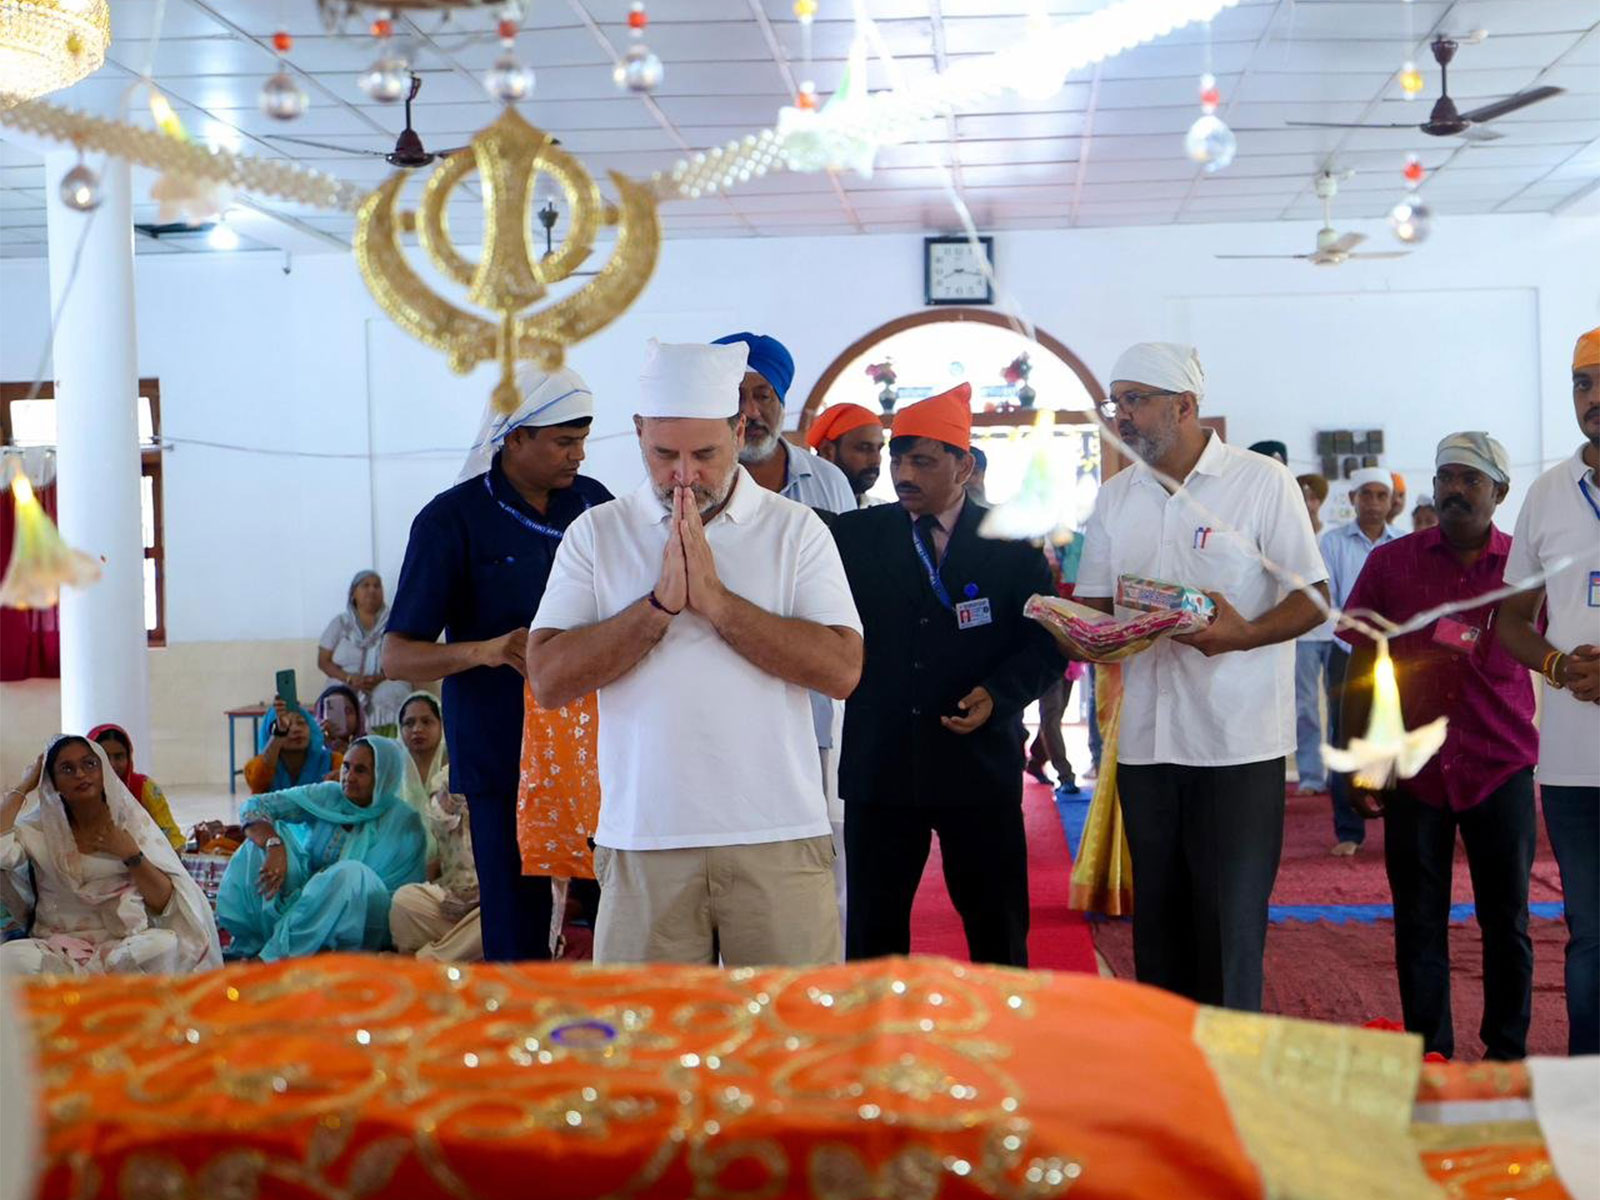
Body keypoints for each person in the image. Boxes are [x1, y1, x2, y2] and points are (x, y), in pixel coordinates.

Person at [527, 338, 863, 967]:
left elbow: (842, 670)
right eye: (664, 454)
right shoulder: (597, 534)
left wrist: (718, 604)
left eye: (705, 454)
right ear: (637, 434)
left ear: (740, 431)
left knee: (790, 1046)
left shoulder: (797, 531)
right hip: (642, 840)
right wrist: (656, 609)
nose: (684, 474)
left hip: (778, 837)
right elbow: (547, 679)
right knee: (646, 1054)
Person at [1076, 342, 1327, 1012]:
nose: (1121, 416)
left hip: (1235, 743)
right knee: (1158, 924)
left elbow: (1313, 597)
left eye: (1135, 400)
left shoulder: (1260, 482)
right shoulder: (1114, 498)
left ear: (1184, 406)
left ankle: (1226, 1087)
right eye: (1116, 402)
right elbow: (1098, 610)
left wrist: (1243, 635)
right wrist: (1065, 624)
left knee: (1226, 925)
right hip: (1148, 745)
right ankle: (1169, 1081)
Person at [383, 365, 612, 963]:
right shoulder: (450, 521)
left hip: (601, 750)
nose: (578, 456)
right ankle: (520, 1037)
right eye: (564, 442)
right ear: (514, 438)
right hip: (503, 751)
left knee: (619, 903)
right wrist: (485, 650)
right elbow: (397, 655)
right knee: (516, 917)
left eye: (583, 440)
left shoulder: (594, 506)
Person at [831, 384, 1064, 967]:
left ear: (965, 465)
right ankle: (875, 1045)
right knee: (873, 931)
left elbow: (1045, 644)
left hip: (976, 766)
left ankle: (1006, 1039)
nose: (904, 473)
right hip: (880, 766)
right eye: (897, 459)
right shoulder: (856, 537)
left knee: (997, 923)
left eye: (923, 460)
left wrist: (999, 695)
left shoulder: (1012, 546)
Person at [1339, 432, 1537, 1061]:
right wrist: (1363, 761)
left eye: (1470, 480)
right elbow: (1361, 667)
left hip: (1500, 764)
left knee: (1506, 922)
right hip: (1416, 771)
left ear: (1499, 493)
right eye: (1446, 477)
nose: (1454, 490)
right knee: (1419, 923)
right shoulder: (1391, 564)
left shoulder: (1526, 567)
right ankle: (1432, 1057)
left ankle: (1507, 1054)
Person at [1496, 326, 1600, 1056]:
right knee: (1590, 933)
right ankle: (1588, 1092)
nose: (1592, 398)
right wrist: (1562, 668)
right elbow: (1509, 621)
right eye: (1582, 383)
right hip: (1572, 762)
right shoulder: (1547, 493)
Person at [0, 737, 220, 975]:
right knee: (11, 957)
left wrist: (130, 854)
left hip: (123, 946)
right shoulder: (37, 830)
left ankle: (104, 989)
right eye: (67, 769)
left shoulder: (131, 825)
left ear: (103, 771)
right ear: (53, 783)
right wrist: (23, 785)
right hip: (60, 948)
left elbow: (163, 901)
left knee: (163, 945)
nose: (81, 774)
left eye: (89, 764)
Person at [217, 736, 426, 961]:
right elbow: (256, 805)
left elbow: (394, 895)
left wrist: (325, 890)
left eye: (361, 770)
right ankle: (255, 942)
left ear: (384, 777)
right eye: (346, 767)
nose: (349, 777)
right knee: (259, 844)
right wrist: (273, 846)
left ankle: (272, 958)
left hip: (364, 919)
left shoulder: (404, 822)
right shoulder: (330, 795)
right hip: (308, 902)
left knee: (351, 874)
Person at [1318, 467, 1402, 853]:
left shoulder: (1405, 544)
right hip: (1348, 655)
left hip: (1398, 659)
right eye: (1365, 495)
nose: (1372, 503)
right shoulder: (1331, 544)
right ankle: (1349, 832)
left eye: (1380, 495)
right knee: (1344, 737)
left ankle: (1404, 826)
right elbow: (1327, 604)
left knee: (1395, 738)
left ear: (1391, 501)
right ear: (1352, 499)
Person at [714, 331, 857, 513]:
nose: (750, 412)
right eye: (736, 397)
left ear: (781, 404)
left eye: (763, 396)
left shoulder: (828, 480)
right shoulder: (697, 481)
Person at [388, 692, 483, 962]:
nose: (417, 729)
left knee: (507, 910)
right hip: (449, 895)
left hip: (489, 895)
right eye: (409, 723)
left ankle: (429, 958)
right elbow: (440, 818)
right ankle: (466, 950)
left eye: (426, 721)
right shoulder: (447, 778)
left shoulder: (513, 775)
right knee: (404, 900)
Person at [318, 571, 411, 735]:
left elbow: (404, 657)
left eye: (376, 586)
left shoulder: (394, 622)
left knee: (392, 693)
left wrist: (380, 678)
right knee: (338, 697)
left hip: (386, 678)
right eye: (365, 585)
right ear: (353, 593)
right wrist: (349, 678)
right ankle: (339, 743)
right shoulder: (340, 623)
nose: (372, 590)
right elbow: (323, 661)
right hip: (345, 678)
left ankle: (387, 744)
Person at [1292, 475, 1334, 797]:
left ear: (1320, 500)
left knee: (1340, 706)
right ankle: (1310, 775)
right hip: (1303, 635)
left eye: (1313, 497)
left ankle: (1339, 775)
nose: (1308, 503)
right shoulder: (1288, 534)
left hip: (1337, 633)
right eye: (1302, 496)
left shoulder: (1333, 537)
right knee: (1305, 707)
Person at [87, 723, 184, 852]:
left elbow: (170, 836)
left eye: (119, 756)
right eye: (104, 756)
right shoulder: (80, 790)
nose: (112, 764)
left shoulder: (144, 788)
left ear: (129, 757)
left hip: (145, 862)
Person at [243, 698, 340, 795]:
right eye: (286, 726)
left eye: (301, 722)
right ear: (270, 736)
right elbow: (256, 782)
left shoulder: (332, 761)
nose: (296, 729)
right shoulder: (259, 767)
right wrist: (279, 734)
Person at [807, 402, 886, 507]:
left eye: (879, 449)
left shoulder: (883, 512)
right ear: (827, 451)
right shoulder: (801, 509)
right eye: (864, 448)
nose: (876, 460)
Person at [313, 683, 365, 757]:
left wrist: (350, 753)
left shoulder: (371, 747)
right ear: (321, 716)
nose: (343, 717)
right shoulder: (312, 750)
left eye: (348, 711)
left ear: (358, 716)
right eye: (333, 711)